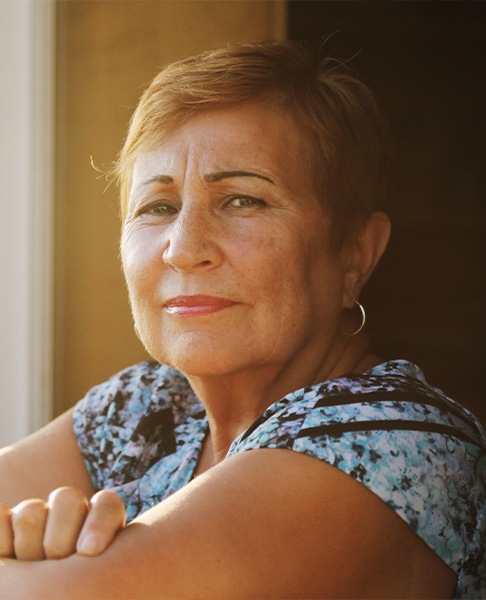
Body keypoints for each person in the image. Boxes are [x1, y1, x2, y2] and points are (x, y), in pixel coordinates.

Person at [0, 40, 484, 599]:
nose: (184, 249)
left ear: (355, 251)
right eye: (157, 207)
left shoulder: (398, 439)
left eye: (242, 200)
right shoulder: (147, 407)